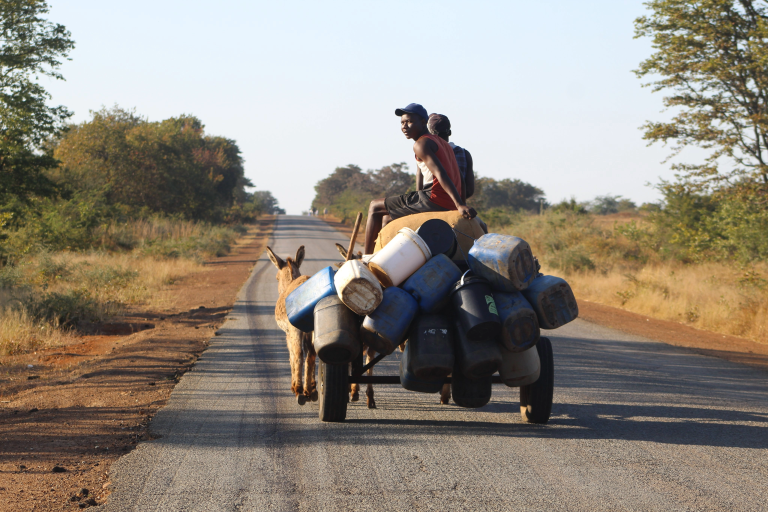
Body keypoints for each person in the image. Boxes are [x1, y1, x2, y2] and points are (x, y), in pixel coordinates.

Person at [363, 103, 476, 254]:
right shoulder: (443, 143)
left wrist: (460, 206)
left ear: (423, 122)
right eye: (402, 123)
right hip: (444, 199)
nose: (404, 126)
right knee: (387, 218)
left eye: (409, 122)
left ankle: (367, 256)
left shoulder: (421, 144)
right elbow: (460, 179)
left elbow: (441, 173)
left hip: (433, 197)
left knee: (374, 206)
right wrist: (459, 203)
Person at [427, 114, 474, 202]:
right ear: (450, 132)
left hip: (433, 201)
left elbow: (421, 186)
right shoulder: (465, 154)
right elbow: (469, 190)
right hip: (458, 202)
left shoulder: (427, 152)